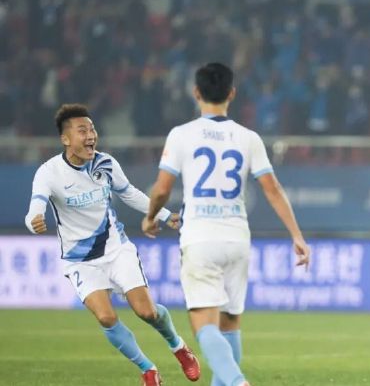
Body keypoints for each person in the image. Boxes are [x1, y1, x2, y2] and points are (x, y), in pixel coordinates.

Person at [142, 62, 310, 386]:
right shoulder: (248, 138)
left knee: (203, 325)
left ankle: (236, 381)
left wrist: (150, 217)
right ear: (231, 93)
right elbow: (273, 189)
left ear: (196, 93)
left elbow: (162, 188)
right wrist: (297, 236)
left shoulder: (181, 135)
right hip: (237, 239)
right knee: (230, 322)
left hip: (200, 239)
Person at [24, 104, 200, 386]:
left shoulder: (104, 163)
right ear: (66, 139)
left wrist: (164, 215)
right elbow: (36, 204)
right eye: (83, 130)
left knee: (147, 312)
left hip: (116, 249)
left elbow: (128, 192)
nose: (91, 135)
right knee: (106, 317)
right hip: (79, 259)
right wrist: (33, 219)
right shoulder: (49, 172)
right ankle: (148, 370)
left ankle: (178, 346)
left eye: (92, 129)